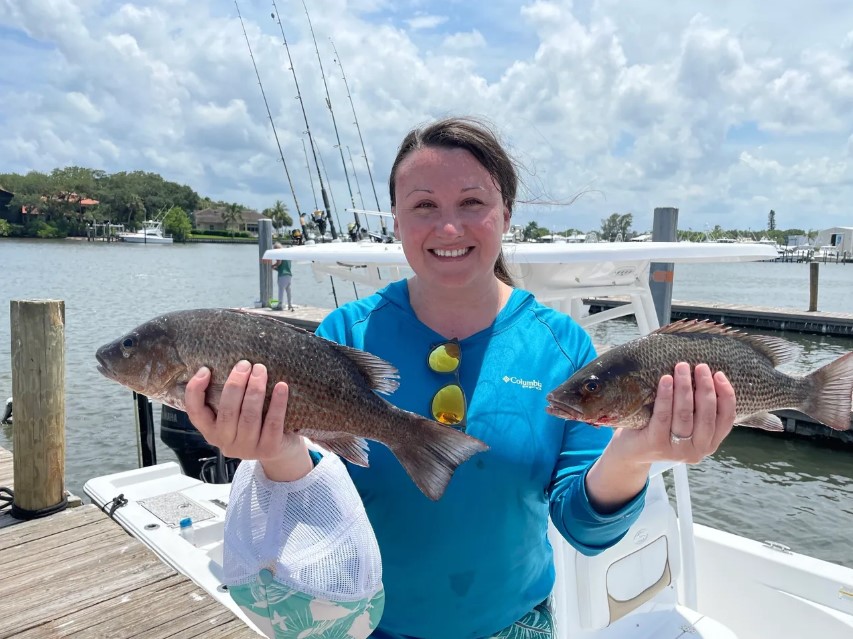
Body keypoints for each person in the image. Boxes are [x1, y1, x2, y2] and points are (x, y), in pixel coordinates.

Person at [185, 116, 737, 639]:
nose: (449, 227)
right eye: (424, 205)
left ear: (505, 213)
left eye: (472, 202)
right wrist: (273, 452)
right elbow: (317, 500)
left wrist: (634, 454)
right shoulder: (345, 332)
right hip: (364, 624)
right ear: (396, 220)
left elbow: (585, 530)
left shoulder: (563, 347)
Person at [270, 242, 294, 311]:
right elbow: (283, 267)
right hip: (289, 275)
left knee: (281, 291)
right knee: (288, 291)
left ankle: (280, 305)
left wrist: (273, 266)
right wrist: (275, 268)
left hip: (282, 276)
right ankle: (290, 305)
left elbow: (279, 262)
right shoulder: (288, 256)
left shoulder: (279, 254)